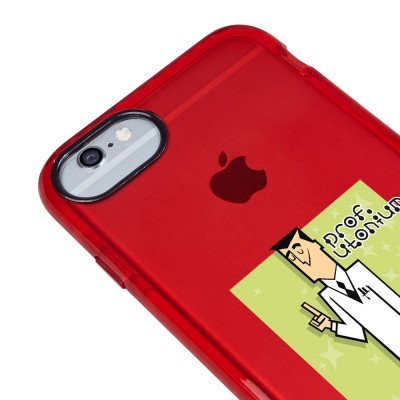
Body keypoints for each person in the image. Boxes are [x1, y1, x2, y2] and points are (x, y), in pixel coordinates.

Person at [271, 228, 400, 360]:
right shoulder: (328, 295)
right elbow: (357, 331)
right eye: (292, 258)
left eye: (300, 250)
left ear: (316, 245)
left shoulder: (359, 272)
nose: (301, 260)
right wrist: (329, 324)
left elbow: (395, 300)